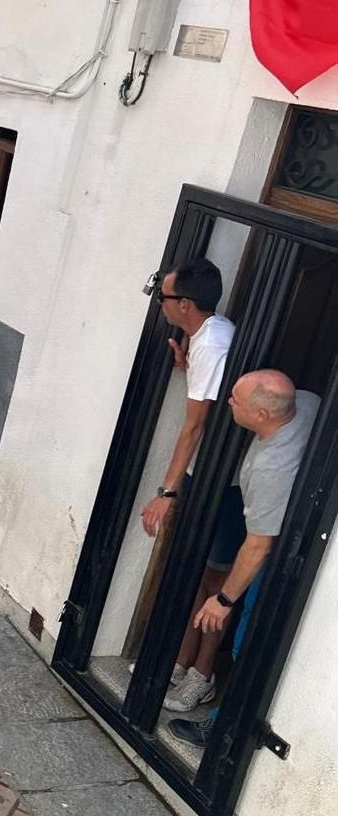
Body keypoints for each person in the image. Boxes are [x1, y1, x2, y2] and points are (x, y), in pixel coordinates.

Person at [168, 370, 320, 747]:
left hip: (280, 549)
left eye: (236, 400)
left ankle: (222, 730)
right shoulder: (307, 401)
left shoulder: (270, 468)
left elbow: (258, 546)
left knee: (247, 639)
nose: (229, 402)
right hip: (291, 532)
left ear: (263, 416)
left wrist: (223, 600)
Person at [136, 260, 243, 713]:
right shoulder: (207, 338)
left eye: (162, 296)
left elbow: (194, 428)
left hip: (227, 481)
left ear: (184, 304)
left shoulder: (212, 344)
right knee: (200, 572)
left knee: (218, 579)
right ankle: (179, 662)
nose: (158, 302)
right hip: (213, 474)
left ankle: (201, 674)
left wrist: (167, 492)